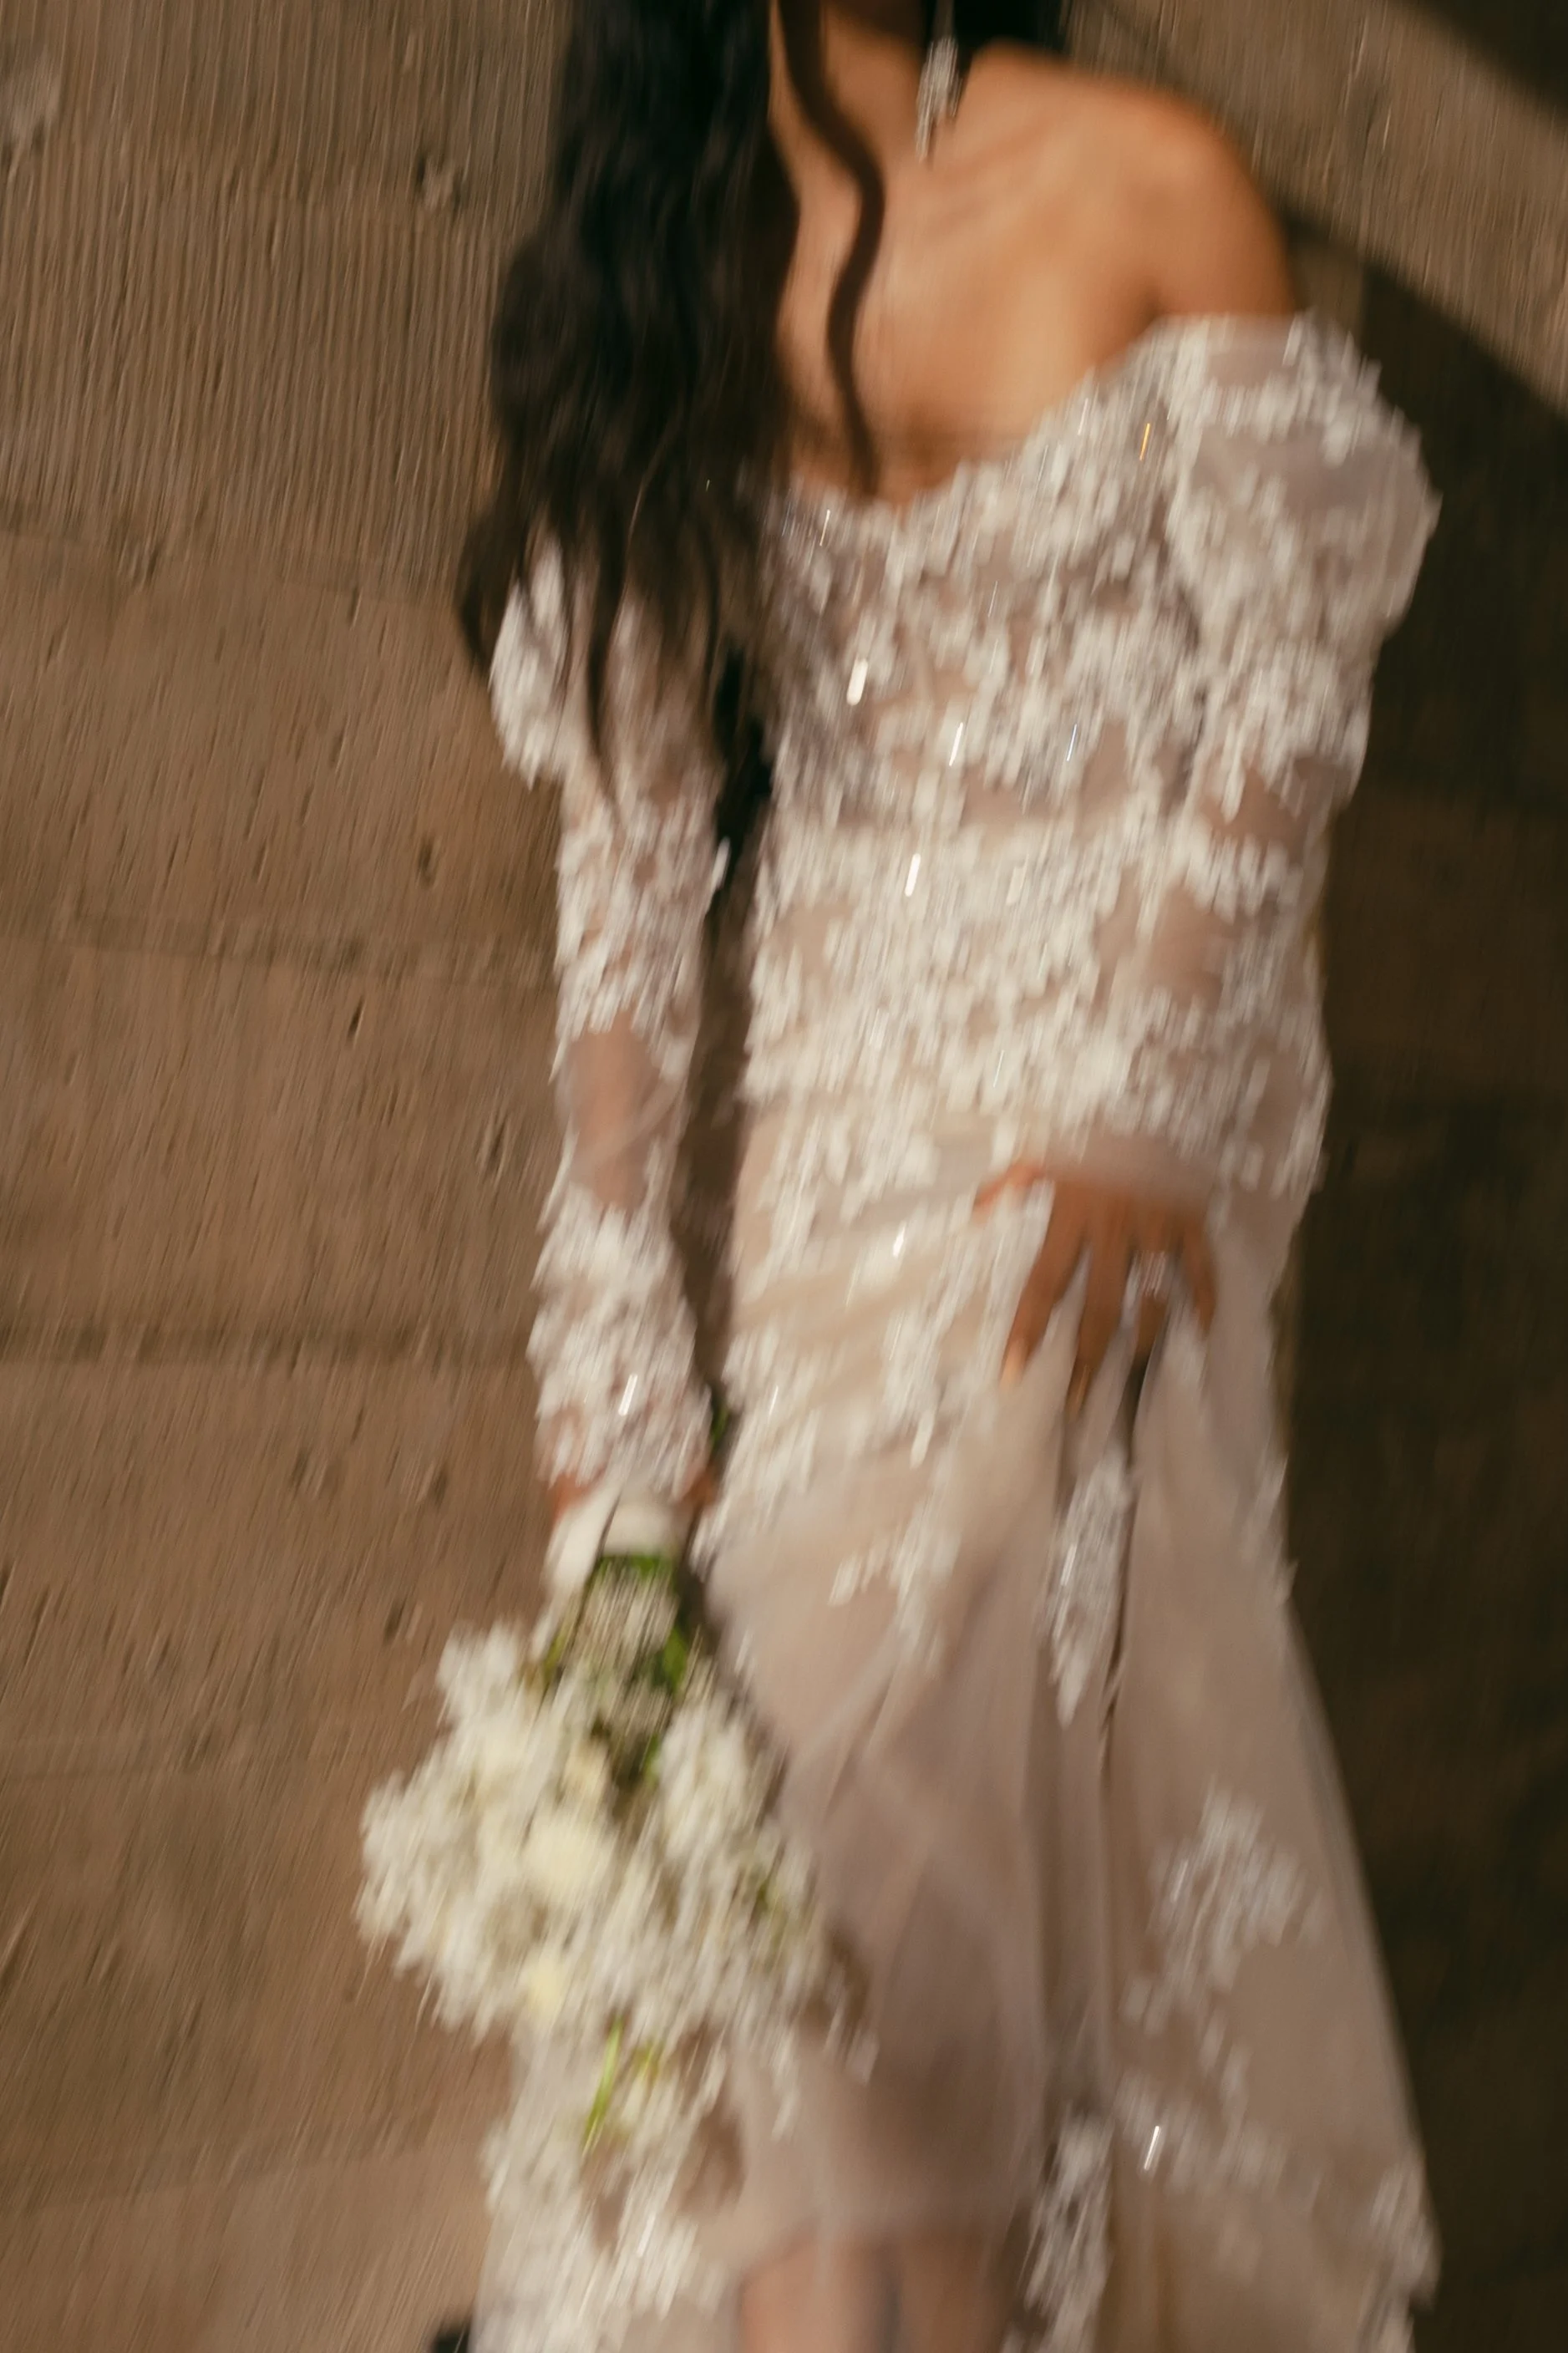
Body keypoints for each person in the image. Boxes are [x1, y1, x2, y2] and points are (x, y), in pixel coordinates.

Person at [440, 1, 1444, 2344]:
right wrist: (610, 1350)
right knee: (805, 1900)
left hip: (1111, 1146)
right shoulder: (668, 248)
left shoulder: (1151, 181)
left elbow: (1287, 693)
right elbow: (632, 846)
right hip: (822, 1146)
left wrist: (1143, 1090)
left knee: (879, 1848)